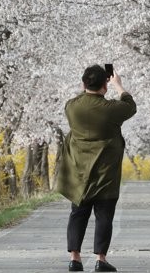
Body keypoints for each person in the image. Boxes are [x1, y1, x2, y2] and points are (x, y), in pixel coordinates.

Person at [55, 64, 137, 272]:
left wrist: (90, 87)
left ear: (83, 84)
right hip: (105, 174)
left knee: (78, 213)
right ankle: (101, 259)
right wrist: (119, 86)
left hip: (79, 172)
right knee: (104, 215)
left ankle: (75, 258)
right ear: (105, 85)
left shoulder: (71, 106)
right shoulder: (112, 109)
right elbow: (130, 105)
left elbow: (81, 99)